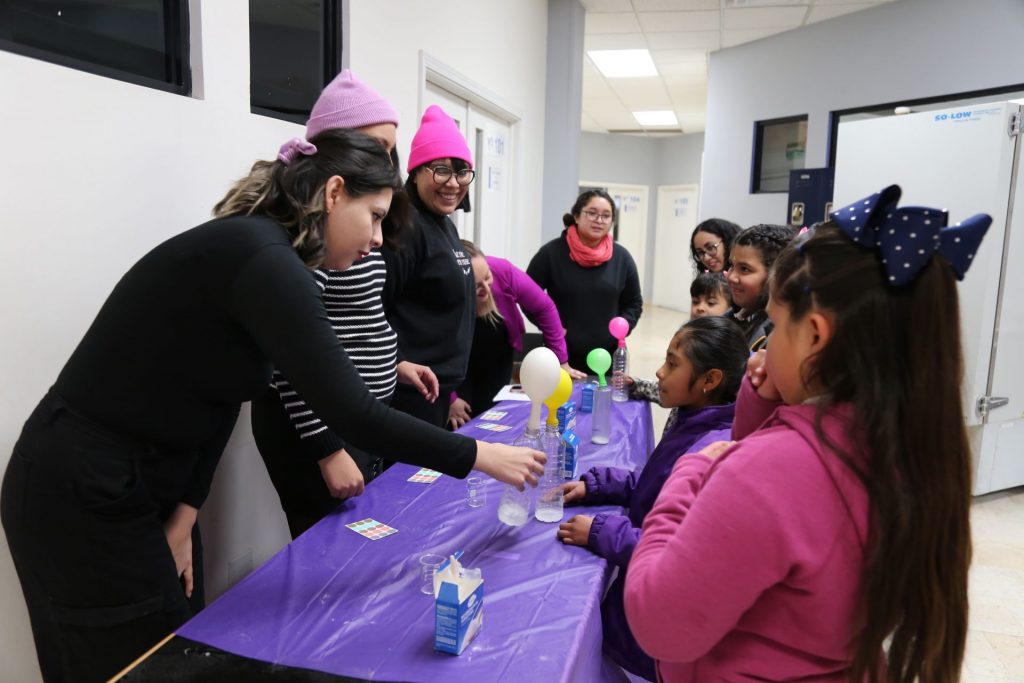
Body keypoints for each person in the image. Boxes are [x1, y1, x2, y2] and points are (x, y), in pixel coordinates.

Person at [0, 128, 544, 683]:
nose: (378, 240)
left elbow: (221, 399)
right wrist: (479, 455)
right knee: (127, 665)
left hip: (151, 481)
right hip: (85, 485)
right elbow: (353, 413)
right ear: (335, 193)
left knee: (173, 650)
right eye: (375, 217)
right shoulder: (265, 260)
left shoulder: (273, 259)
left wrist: (186, 512)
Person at [623, 185, 989, 682]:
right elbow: (773, 521)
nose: (763, 348)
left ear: (815, 335)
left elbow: (658, 622)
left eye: (774, 327)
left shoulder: (769, 472)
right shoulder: (909, 446)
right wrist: (767, 398)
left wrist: (692, 472)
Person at [249, 70, 436, 539]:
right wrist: (328, 449)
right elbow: (289, 356)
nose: (386, 161)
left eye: (390, 149)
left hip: (355, 416)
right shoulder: (311, 231)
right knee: (329, 552)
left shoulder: (356, 219)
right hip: (320, 428)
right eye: (376, 146)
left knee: (359, 541)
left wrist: (393, 364)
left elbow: (356, 317)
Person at [556, 316, 747, 680]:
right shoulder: (693, 420)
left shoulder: (709, 450)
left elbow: (675, 553)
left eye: (673, 364)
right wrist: (597, 486)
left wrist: (600, 531)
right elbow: (657, 484)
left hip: (649, 641)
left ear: (709, 380)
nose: (659, 372)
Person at [381, 105, 476, 428]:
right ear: (417, 171)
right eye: (441, 170)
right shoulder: (404, 225)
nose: (453, 183)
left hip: (436, 391)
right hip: (407, 390)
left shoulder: (442, 222)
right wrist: (397, 363)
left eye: (462, 172)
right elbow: (373, 307)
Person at [447, 240, 584, 428]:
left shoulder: (501, 270)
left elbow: (544, 308)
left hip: (497, 357)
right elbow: (432, 348)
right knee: (460, 422)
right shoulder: (444, 291)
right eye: (476, 285)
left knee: (493, 419)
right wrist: (450, 399)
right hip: (455, 366)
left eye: (487, 277)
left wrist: (561, 361)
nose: (486, 289)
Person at [527, 189, 644, 371]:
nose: (599, 220)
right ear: (576, 216)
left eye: (606, 216)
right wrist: (551, 326)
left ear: (611, 222)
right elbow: (527, 296)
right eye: (592, 213)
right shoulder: (551, 253)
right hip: (561, 355)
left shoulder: (622, 257)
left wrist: (622, 327)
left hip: (607, 357)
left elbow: (634, 303)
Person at [628, 272, 733, 435]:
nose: (700, 307)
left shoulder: (725, 356)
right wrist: (637, 385)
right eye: (695, 301)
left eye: (711, 303)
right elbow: (674, 385)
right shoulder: (687, 337)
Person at [725, 223, 796, 352]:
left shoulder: (779, 336)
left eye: (744, 269)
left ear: (776, 274)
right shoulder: (732, 318)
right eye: (731, 266)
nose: (731, 277)